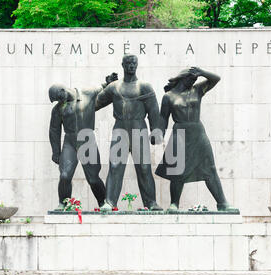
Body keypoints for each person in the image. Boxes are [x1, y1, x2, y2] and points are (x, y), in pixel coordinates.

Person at [155, 67, 238, 212]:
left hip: (198, 133)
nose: (193, 81)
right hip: (180, 133)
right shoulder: (168, 97)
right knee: (177, 171)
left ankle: (222, 203)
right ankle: (174, 204)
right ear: (182, 77)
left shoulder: (197, 90)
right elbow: (163, 118)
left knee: (210, 169)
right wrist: (158, 133)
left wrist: (202, 72)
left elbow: (216, 79)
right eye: (191, 78)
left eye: (195, 79)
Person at [96, 54, 163, 211]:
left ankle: (151, 203)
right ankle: (110, 202)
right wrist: (103, 86)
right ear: (123, 65)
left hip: (139, 128)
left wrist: (156, 131)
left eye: (134, 63)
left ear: (137, 65)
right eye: (128, 63)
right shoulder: (114, 87)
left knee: (144, 167)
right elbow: (96, 104)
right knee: (115, 166)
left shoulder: (144, 86)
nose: (131, 65)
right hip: (120, 129)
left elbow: (153, 109)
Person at [49, 73, 117, 209]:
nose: (58, 101)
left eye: (58, 98)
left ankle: (104, 203)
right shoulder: (57, 109)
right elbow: (54, 131)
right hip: (70, 141)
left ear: (63, 90)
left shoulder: (87, 93)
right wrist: (56, 152)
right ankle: (64, 204)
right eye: (56, 100)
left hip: (87, 139)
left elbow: (103, 89)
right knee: (64, 175)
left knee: (93, 178)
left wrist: (109, 83)